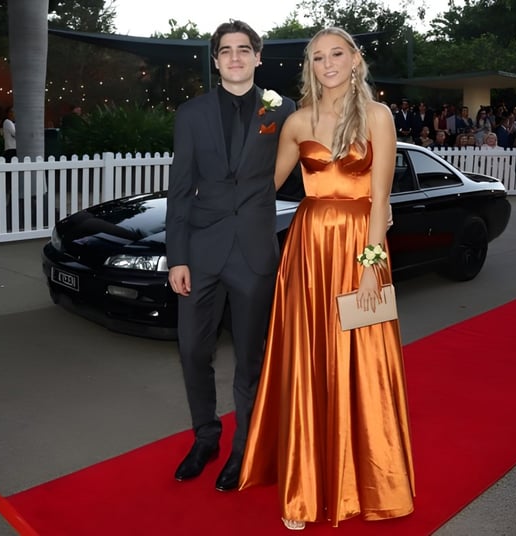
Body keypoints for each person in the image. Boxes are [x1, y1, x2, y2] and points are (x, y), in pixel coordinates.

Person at [239, 27, 415, 530]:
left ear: (355, 59)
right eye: (318, 57)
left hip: (361, 248)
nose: (328, 64)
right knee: (307, 359)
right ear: (309, 67)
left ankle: (369, 481)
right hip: (309, 249)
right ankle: (304, 487)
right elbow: (264, 187)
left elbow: (380, 202)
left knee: (363, 361)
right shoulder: (296, 121)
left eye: (337, 54)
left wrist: (370, 266)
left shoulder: (379, 117)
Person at [165, 20, 296, 493]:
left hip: (256, 252)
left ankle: (245, 448)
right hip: (200, 252)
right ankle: (206, 437)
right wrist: (176, 256)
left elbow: (319, 155)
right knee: (192, 350)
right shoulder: (191, 113)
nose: (235, 57)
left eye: (244, 49)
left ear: (258, 57)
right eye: (226, 51)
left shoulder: (284, 111)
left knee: (251, 361)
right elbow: (179, 190)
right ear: (216, 59)